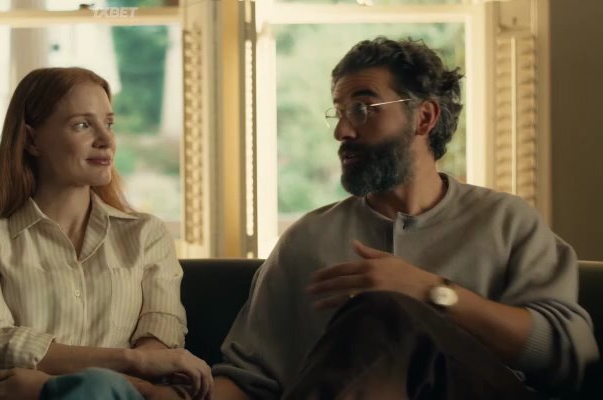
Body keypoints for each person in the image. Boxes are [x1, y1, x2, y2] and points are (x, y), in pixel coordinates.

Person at [211, 37, 599, 400]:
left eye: (362, 109)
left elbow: (567, 354)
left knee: (385, 314)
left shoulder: (506, 220)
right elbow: (250, 378)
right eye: (340, 112)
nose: (342, 131)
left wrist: (429, 291)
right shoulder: (307, 239)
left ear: (424, 118)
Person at [0, 67, 212, 400]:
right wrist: (134, 363)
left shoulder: (148, 235)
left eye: (109, 123)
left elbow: (160, 344)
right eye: (82, 125)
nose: (106, 139)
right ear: (32, 140)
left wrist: (42, 382)